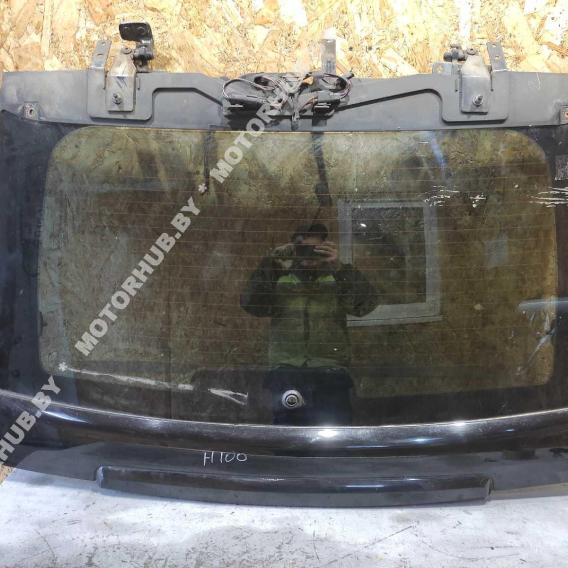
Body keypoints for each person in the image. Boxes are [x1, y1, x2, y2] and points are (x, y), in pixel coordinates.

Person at [240, 223, 379, 425]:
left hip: (331, 374)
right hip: (286, 373)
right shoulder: (279, 277)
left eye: (315, 249)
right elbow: (251, 304)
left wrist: (340, 268)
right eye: (303, 248)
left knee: (334, 438)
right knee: (288, 438)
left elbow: (365, 305)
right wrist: (270, 263)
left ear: (325, 248)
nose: (309, 254)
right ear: (293, 249)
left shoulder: (337, 278)